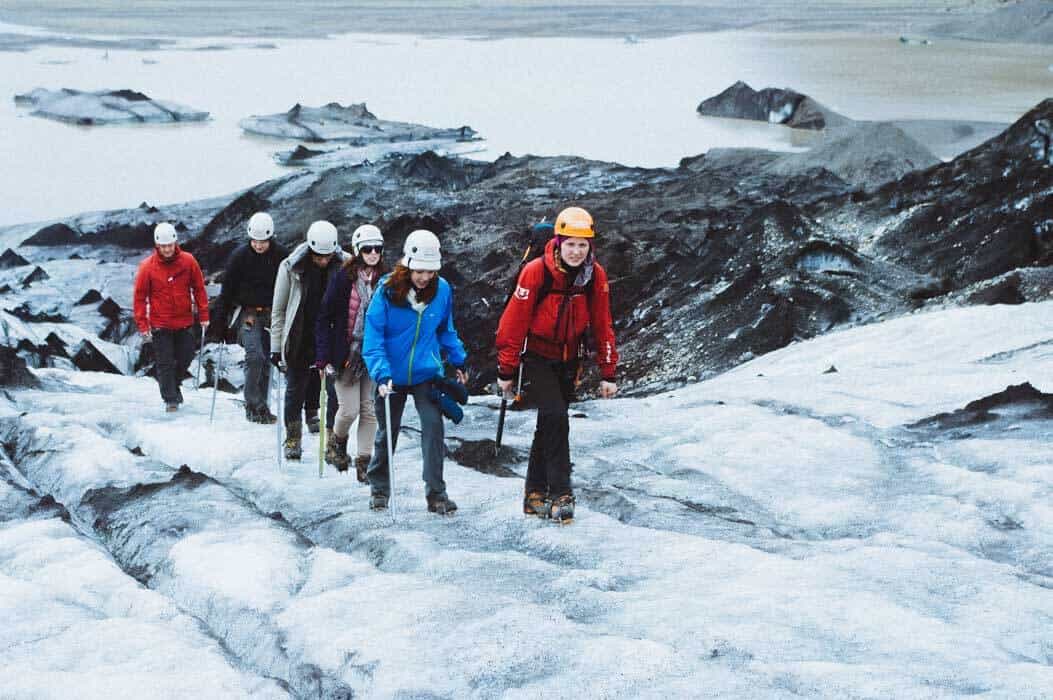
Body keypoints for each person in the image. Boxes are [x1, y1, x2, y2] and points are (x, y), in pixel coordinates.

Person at [495, 206, 618, 523]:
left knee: (547, 424)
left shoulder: (595, 276)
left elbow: (603, 323)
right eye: (571, 244)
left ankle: (533, 495)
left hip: (569, 359)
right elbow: (513, 324)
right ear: (559, 242)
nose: (576, 251)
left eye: (583, 244)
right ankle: (562, 493)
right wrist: (506, 371)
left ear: (590, 245)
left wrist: (608, 371)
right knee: (556, 417)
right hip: (537, 356)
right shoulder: (536, 271)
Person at [362, 229, 468, 514]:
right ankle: (379, 489)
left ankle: (436, 495)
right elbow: (373, 338)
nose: (425, 277)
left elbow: (446, 329)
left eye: (430, 271)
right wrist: (382, 375)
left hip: (425, 374)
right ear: (407, 263)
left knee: (433, 429)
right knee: (388, 431)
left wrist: (459, 360)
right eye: (420, 270)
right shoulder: (386, 290)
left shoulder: (442, 290)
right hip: (391, 376)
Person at [270, 221, 348, 460]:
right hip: (300, 336)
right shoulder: (290, 267)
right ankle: (293, 438)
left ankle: (333, 442)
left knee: (335, 392)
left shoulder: (347, 265)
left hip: (332, 337)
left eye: (327, 256)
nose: (323, 261)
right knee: (295, 389)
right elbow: (279, 310)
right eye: (318, 256)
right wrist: (276, 347)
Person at [315, 224, 387, 481]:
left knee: (369, 410)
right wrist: (322, 357)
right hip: (346, 354)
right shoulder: (343, 279)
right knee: (349, 410)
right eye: (367, 249)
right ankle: (336, 442)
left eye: (377, 248)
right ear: (357, 251)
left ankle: (364, 463)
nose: (373, 253)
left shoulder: (386, 280)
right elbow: (324, 318)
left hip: (372, 354)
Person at [212, 212, 287, 424]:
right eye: (255, 241)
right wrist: (219, 324)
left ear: (270, 238)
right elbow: (227, 291)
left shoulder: (282, 256)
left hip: (273, 314)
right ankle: (252, 405)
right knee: (255, 357)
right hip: (249, 314)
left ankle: (262, 407)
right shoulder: (239, 257)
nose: (259, 245)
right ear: (250, 238)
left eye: (263, 241)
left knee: (267, 361)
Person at [133, 222, 210, 412]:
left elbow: (199, 288)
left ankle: (174, 385)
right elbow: (139, 298)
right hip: (161, 325)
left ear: (175, 242)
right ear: (157, 246)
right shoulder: (147, 267)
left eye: (170, 245)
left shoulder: (188, 261)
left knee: (186, 357)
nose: (167, 249)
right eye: (163, 246)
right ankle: (171, 400)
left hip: (184, 322)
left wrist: (204, 314)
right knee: (165, 362)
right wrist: (143, 325)